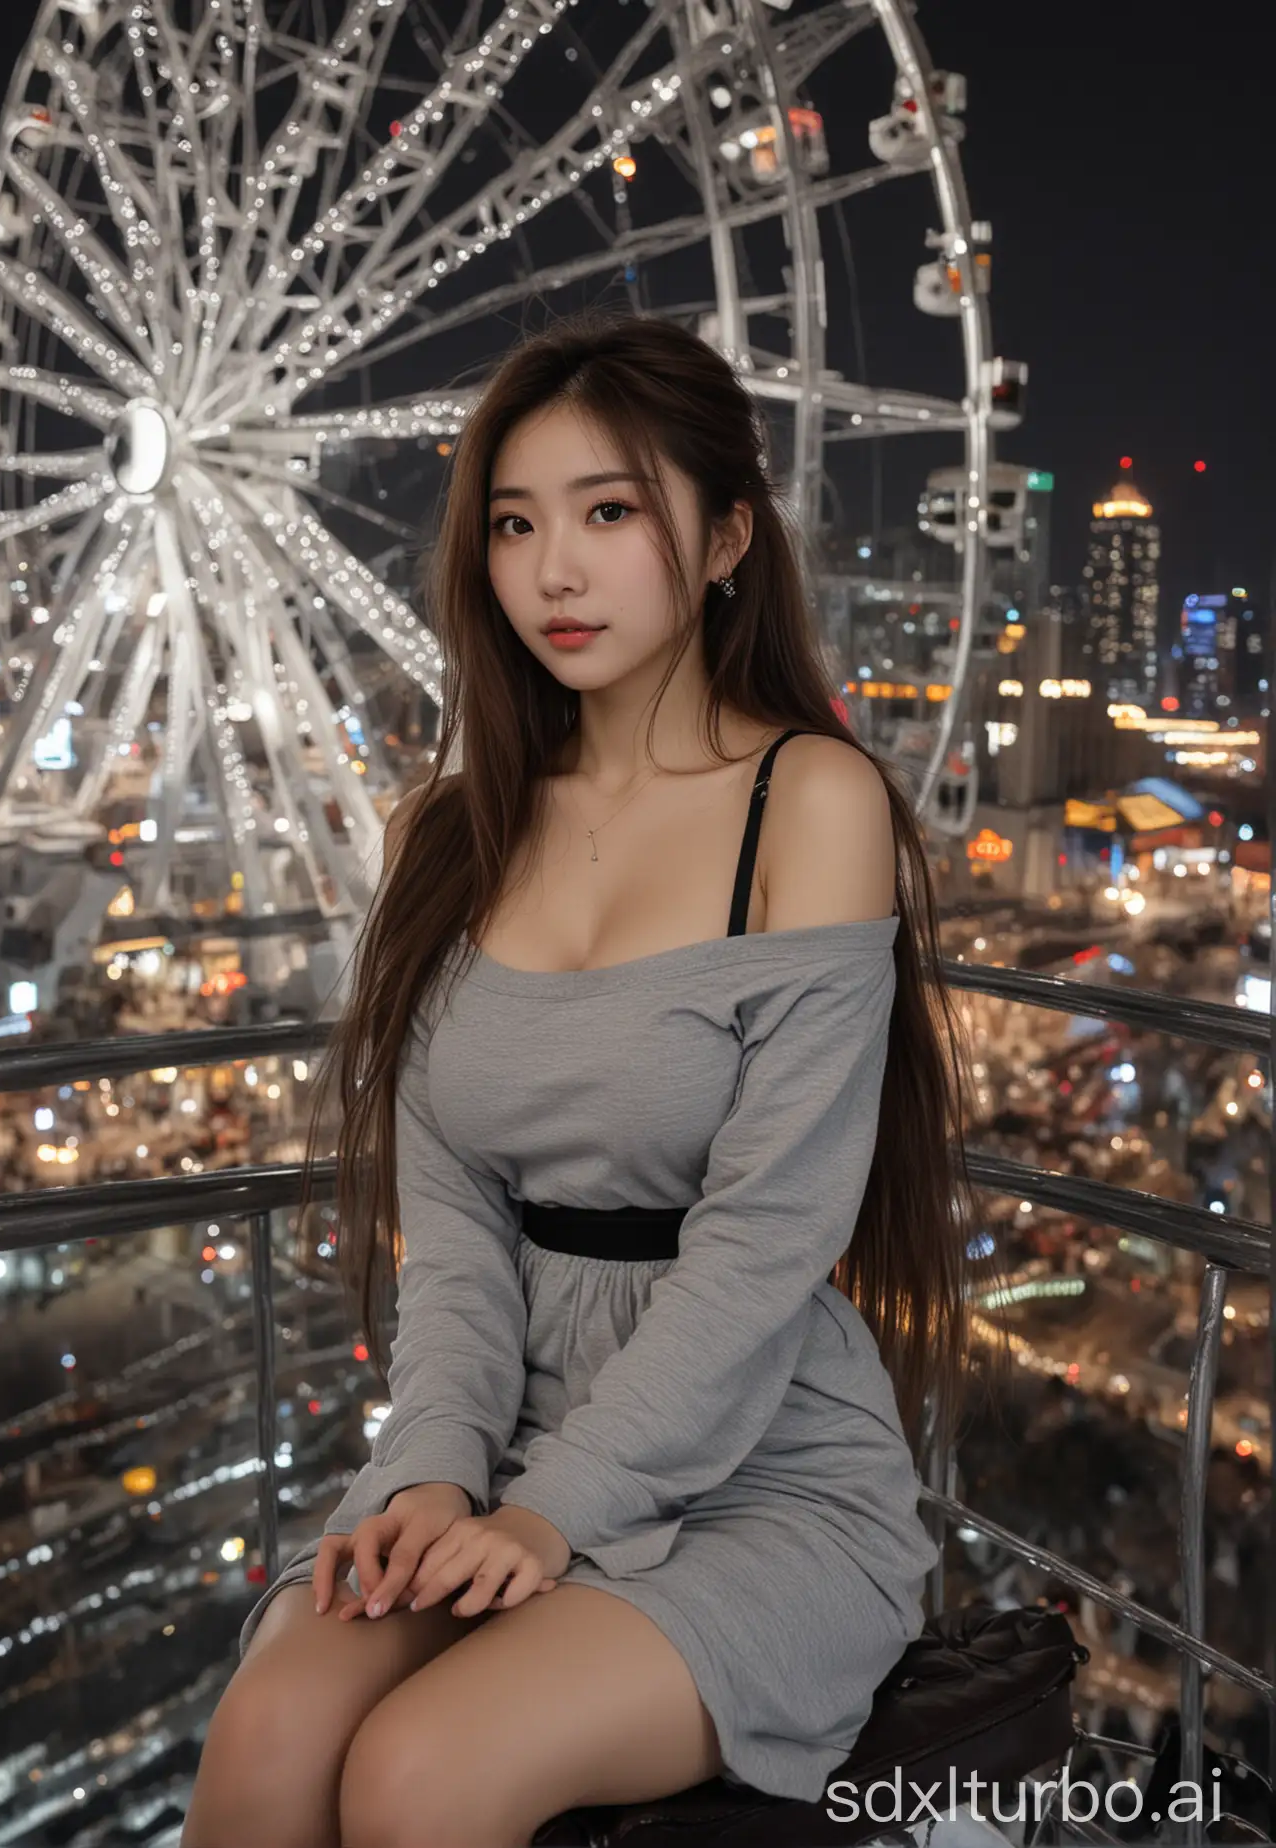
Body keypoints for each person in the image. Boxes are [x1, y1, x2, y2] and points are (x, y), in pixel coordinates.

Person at [181, 312, 983, 1848]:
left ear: (729, 533)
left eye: (610, 513)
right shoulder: (453, 835)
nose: (554, 570)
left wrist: (560, 1512)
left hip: (755, 1467)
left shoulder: (808, 804)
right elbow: (462, 1241)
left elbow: (765, 1247)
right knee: (275, 1734)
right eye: (515, 524)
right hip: (499, 1438)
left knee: (424, 1773)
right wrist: (432, 1475)